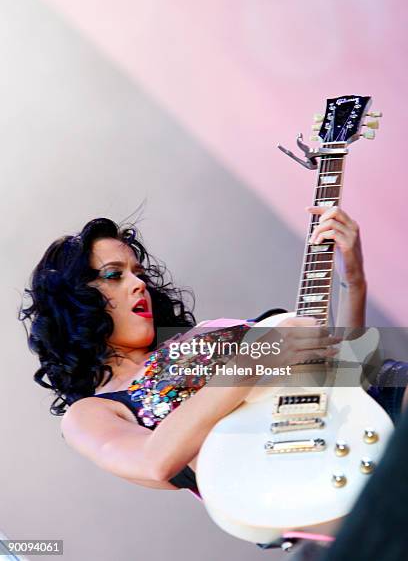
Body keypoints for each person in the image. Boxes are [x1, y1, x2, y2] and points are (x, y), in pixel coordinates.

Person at [19, 208, 405, 550]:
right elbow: (154, 461)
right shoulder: (92, 412)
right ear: (73, 302)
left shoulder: (210, 333)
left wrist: (352, 280)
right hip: (296, 492)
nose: (137, 284)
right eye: (113, 275)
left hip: (368, 418)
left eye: (137, 272)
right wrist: (257, 358)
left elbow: (343, 376)